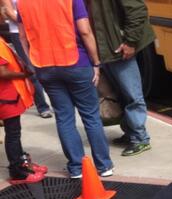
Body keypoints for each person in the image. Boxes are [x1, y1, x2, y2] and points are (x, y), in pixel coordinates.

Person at [18, 0, 114, 179]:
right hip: (76, 62)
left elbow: (23, 37)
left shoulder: (23, 3)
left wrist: (32, 62)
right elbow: (85, 31)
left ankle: (76, 168)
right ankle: (104, 166)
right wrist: (96, 62)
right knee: (91, 116)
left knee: (64, 118)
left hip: (44, 66)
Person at [86, 0, 154, 157]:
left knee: (132, 94)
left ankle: (140, 138)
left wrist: (130, 41)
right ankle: (131, 133)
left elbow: (137, 10)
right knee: (120, 94)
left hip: (118, 48)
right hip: (106, 48)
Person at [0, 36, 46, 184]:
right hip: (5, 97)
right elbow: (3, 73)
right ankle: (17, 171)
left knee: (14, 132)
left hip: (8, 96)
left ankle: (22, 163)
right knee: (13, 133)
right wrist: (25, 75)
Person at [0, 0, 52, 118]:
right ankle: (43, 106)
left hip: (38, 30)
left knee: (46, 66)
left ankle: (56, 102)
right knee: (30, 69)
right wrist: (31, 20)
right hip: (18, 32)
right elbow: (8, 12)